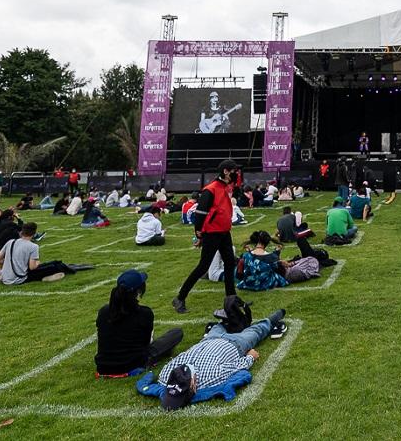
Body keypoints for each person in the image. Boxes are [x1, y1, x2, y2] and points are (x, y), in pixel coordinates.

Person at [156, 307, 288, 411]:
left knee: (255, 331)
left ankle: (233, 319)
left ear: (192, 384)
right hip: (213, 340)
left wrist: (250, 357)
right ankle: (273, 316)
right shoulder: (165, 373)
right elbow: (237, 367)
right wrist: (250, 357)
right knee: (253, 330)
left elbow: (238, 367)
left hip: (232, 343)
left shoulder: (210, 377)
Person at [173, 160, 240, 313]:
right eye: (234, 171)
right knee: (203, 266)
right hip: (212, 233)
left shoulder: (224, 187)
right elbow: (200, 212)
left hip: (224, 232)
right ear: (225, 172)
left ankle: (232, 298)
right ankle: (180, 298)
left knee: (230, 263)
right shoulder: (210, 189)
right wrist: (198, 233)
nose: (236, 174)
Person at [95, 269, 184, 376]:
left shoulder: (104, 311)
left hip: (104, 366)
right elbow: (145, 344)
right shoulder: (144, 313)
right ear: (138, 291)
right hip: (133, 363)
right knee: (176, 333)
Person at [0, 223, 76, 284]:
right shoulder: (33, 246)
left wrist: (9, 262)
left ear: (22, 232)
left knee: (51, 264)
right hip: (19, 279)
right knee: (54, 267)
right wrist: (37, 262)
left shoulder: (10, 242)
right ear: (34, 233)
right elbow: (32, 267)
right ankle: (47, 277)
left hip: (5, 278)